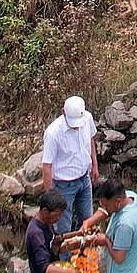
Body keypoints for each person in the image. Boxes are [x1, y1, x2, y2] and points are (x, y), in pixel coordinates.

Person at [41, 95, 99, 238]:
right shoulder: (53, 133)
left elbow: (91, 140)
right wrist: (50, 198)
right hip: (63, 185)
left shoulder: (87, 118)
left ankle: (85, 256)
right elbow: (46, 166)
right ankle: (64, 258)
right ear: (63, 112)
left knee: (87, 221)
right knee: (64, 228)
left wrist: (95, 165)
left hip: (84, 179)